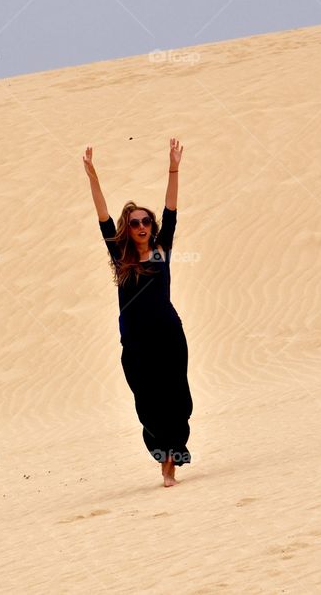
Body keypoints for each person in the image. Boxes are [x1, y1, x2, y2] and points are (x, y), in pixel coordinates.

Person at [83, 138, 193, 488]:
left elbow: (172, 209)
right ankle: (162, 453)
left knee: (177, 397)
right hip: (136, 344)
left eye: (146, 221)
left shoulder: (161, 251)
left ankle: (171, 462)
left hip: (169, 336)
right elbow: (102, 217)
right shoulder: (122, 258)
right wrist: (92, 176)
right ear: (127, 229)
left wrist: (173, 167)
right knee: (147, 403)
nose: (142, 226)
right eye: (134, 223)